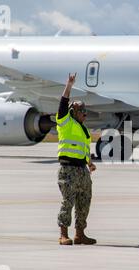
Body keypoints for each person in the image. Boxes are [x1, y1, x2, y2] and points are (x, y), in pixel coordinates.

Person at [56, 72, 97, 245]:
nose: (85, 115)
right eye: (83, 111)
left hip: (82, 170)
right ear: (74, 112)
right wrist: (69, 85)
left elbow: (84, 149)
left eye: (86, 112)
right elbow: (63, 103)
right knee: (68, 202)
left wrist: (89, 163)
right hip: (68, 170)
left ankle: (80, 234)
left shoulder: (84, 130)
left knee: (84, 201)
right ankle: (63, 234)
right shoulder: (65, 122)